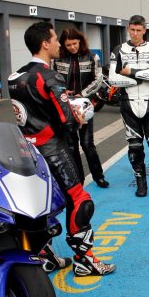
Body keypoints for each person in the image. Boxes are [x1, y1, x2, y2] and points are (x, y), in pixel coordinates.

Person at [8, 22, 116, 277]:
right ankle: (85, 260)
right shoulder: (49, 76)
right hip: (53, 149)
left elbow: (31, 110)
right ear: (45, 43)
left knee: (40, 205)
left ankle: (44, 255)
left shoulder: (16, 76)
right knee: (80, 200)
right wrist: (78, 114)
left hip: (27, 151)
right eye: (55, 39)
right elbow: (67, 119)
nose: (58, 44)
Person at [108, 15, 149, 197]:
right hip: (128, 105)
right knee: (135, 148)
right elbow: (113, 79)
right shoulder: (118, 50)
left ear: (145, 30)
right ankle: (140, 183)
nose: (135, 34)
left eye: (139, 30)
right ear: (128, 29)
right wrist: (140, 78)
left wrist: (131, 73)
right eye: (132, 30)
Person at [53, 28, 108, 188]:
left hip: (84, 106)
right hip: (65, 105)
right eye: (68, 44)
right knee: (71, 144)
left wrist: (82, 94)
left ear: (80, 41)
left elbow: (98, 79)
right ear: (63, 44)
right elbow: (51, 77)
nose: (72, 47)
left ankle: (99, 176)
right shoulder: (57, 58)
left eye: (74, 43)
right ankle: (78, 179)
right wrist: (62, 91)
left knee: (87, 143)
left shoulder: (92, 57)